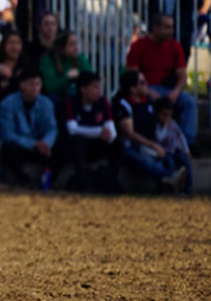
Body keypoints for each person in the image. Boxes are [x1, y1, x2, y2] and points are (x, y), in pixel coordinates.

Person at [126, 12, 196, 146]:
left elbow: (182, 75)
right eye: (167, 28)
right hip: (147, 88)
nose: (171, 31)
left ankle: (188, 142)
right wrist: (148, 92)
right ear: (155, 28)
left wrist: (176, 92)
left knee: (189, 102)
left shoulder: (175, 46)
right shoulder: (139, 46)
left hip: (168, 88)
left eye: (172, 27)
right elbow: (132, 77)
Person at [114, 70, 189, 193]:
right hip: (131, 146)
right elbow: (129, 133)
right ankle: (168, 177)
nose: (147, 85)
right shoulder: (124, 104)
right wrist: (153, 145)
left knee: (170, 156)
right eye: (142, 83)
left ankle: (178, 186)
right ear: (132, 88)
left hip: (150, 143)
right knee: (145, 160)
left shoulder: (148, 102)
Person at [0, 68, 58, 186]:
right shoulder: (8, 104)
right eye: (31, 84)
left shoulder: (46, 103)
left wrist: (46, 143)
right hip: (20, 145)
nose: (35, 88)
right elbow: (7, 134)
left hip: (41, 145)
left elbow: (52, 127)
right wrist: (32, 143)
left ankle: (50, 180)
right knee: (9, 148)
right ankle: (22, 180)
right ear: (22, 85)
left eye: (38, 84)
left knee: (61, 144)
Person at [64, 71, 118, 193]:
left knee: (118, 143)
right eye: (94, 87)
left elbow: (111, 129)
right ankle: (82, 182)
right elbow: (72, 129)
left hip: (97, 145)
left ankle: (112, 180)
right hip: (79, 146)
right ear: (83, 89)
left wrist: (108, 135)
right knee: (77, 141)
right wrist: (99, 132)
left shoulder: (103, 102)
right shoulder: (71, 102)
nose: (98, 90)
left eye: (99, 86)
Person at [39, 31, 93, 99]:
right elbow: (49, 87)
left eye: (76, 43)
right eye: (71, 44)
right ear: (62, 48)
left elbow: (90, 83)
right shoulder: (48, 60)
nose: (76, 47)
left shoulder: (82, 59)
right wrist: (67, 77)